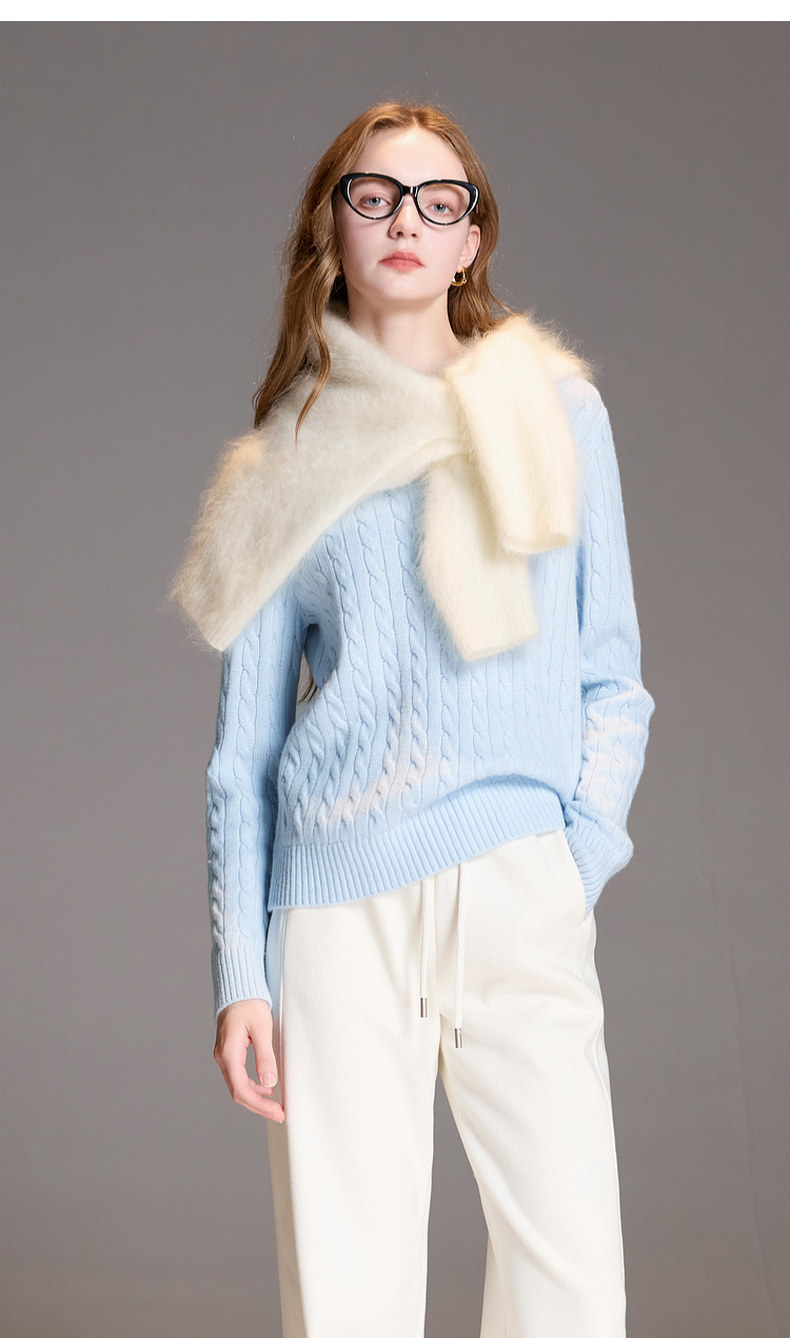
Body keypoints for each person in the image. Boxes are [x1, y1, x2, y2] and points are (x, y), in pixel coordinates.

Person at [169, 100, 655, 1338]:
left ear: (470, 241)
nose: (406, 221)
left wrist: (569, 859)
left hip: (517, 881)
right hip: (339, 906)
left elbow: (612, 679)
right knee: (348, 1292)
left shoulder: (559, 412)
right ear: (331, 228)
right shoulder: (286, 459)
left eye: (440, 202)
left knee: (569, 1282)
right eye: (374, 195)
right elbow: (243, 755)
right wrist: (241, 977)